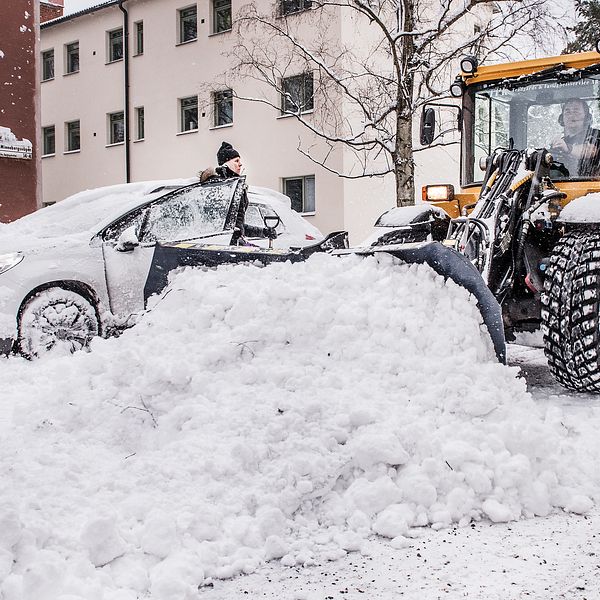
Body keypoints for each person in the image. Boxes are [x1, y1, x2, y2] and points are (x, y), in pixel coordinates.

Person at [199, 141, 278, 245]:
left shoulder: (236, 186)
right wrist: (231, 235)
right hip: (222, 245)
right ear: (226, 163)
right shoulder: (219, 187)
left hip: (234, 243)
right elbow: (213, 222)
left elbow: (238, 226)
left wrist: (264, 232)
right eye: (236, 161)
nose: (240, 164)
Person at [550, 98, 600, 177]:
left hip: (589, 184)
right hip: (560, 184)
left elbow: (591, 150)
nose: (571, 115)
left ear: (587, 117)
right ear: (561, 118)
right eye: (567, 112)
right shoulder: (560, 142)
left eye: (576, 112)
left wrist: (568, 148)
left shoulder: (595, 134)